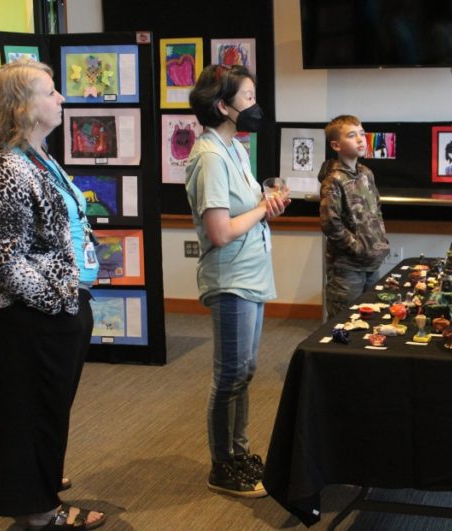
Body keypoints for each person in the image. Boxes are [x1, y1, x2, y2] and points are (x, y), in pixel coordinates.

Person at [0, 59, 106, 529]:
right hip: (32, 315)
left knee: (47, 409)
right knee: (31, 413)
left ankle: (41, 482)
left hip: (58, 308)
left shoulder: (40, 156)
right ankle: (41, 513)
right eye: (51, 92)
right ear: (23, 107)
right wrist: (59, 299)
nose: (61, 99)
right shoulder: (7, 169)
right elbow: (5, 263)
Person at [185, 64, 289, 498]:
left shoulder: (236, 150)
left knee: (244, 372)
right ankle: (222, 465)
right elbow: (220, 231)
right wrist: (265, 209)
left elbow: (243, 211)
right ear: (223, 106)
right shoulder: (209, 156)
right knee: (230, 374)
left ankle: (239, 453)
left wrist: (265, 203)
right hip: (230, 279)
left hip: (250, 275)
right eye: (246, 98)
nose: (254, 106)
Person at [318, 115, 389, 318]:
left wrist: (380, 240)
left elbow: (376, 209)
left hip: (372, 263)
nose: (360, 139)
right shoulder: (334, 180)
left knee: (371, 319)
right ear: (336, 145)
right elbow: (330, 223)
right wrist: (357, 248)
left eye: (362, 134)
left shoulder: (366, 173)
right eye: (352, 135)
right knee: (344, 322)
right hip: (347, 268)